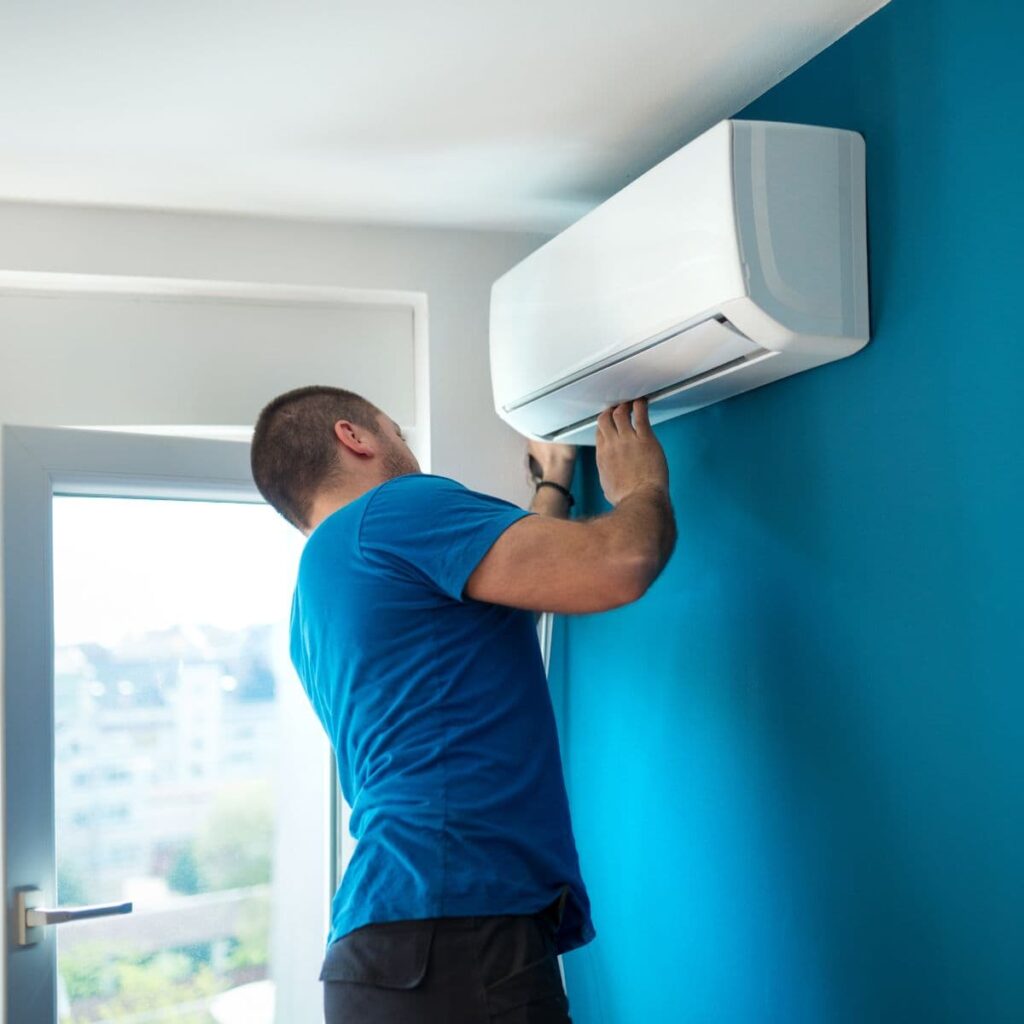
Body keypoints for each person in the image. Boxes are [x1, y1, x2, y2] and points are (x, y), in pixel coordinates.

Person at [250, 385, 676, 1023]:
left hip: (382, 955)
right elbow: (623, 561)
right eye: (397, 431)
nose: (407, 449)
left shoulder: (316, 600)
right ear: (354, 437)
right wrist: (641, 486)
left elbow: (514, 589)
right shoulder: (394, 510)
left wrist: (553, 487)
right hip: (453, 930)